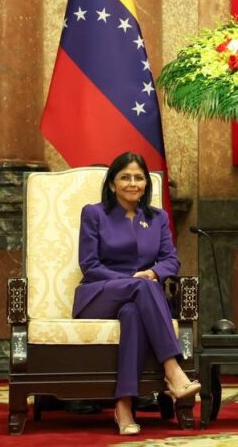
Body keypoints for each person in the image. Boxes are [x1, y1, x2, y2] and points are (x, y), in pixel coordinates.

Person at [73, 151, 200, 436]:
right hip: (99, 295)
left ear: (146, 183)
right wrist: (133, 279)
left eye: (139, 177)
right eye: (125, 177)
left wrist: (154, 273)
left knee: (133, 311)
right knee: (143, 286)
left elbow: (170, 259)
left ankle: (124, 405)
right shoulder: (94, 213)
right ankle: (173, 369)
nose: (133, 183)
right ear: (112, 184)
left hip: (139, 298)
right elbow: (90, 265)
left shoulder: (157, 218)